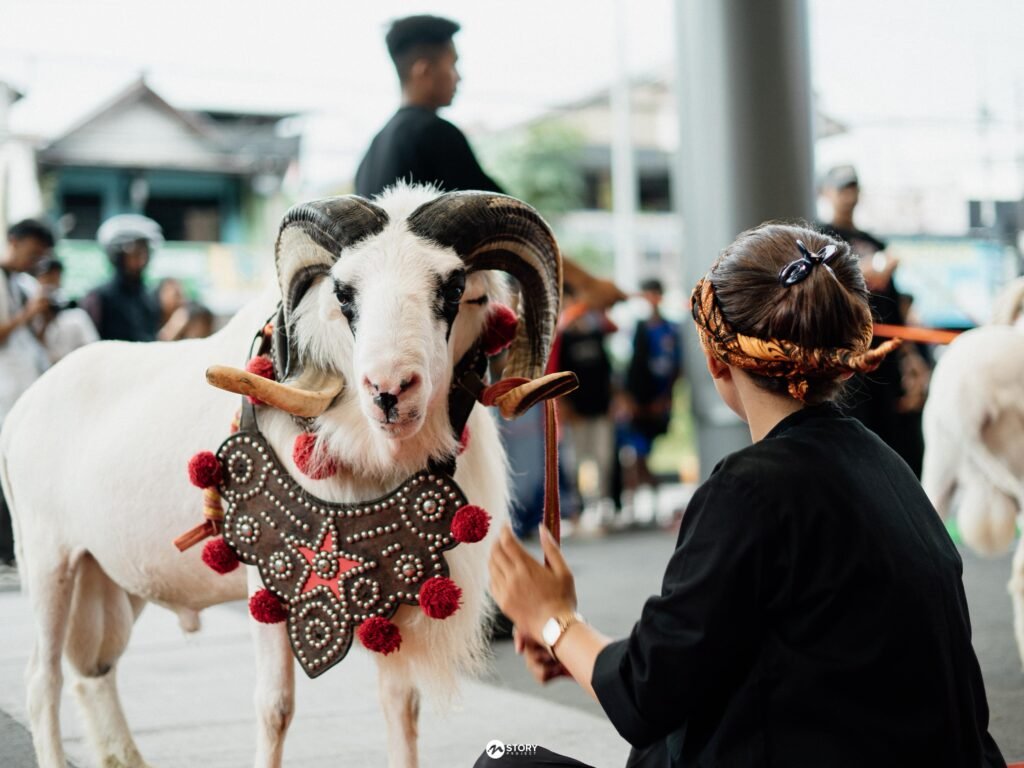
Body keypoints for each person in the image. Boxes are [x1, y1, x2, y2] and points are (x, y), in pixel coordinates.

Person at [487, 224, 1005, 767]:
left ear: (716, 360)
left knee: (503, 757)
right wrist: (576, 646)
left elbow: (645, 697)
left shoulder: (751, 489)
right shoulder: (883, 465)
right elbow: (707, 651)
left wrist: (551, 619)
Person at [818, 164, 930, 475]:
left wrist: (911, 359)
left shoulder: (875, 241)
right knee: (855, 445)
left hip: (886, 357)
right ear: (825, 193)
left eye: (852, 187)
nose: (848, 195)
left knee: (900, 444)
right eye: (841, 188)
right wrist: (870, 266)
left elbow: (896, 308)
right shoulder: (819, 237)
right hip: (847, 359)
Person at [355, 14, 503, 197]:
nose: (458, 77)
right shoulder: (434, 132)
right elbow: (504, 214)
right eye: (453, 65)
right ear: (424, 71)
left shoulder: (372, 152)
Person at [0, 219, 54, 578]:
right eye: (32, 252)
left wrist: (41, 317)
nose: (35, 261)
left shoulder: (22, 284)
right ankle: (7, 552)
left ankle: (18, 549)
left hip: (24, 391)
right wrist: (29, 313)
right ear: (13, 242)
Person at [620, 278, 682, 516]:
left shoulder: (670, 330)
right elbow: (629, 368)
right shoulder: (637, 328)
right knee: (635, 454)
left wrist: (665, 399)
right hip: (637, 401)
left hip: (657, 400)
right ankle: (635, 507)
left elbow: (676, 367)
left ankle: (651, 505)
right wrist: (628, 399)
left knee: (645, 454)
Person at [82, 214, 163, 342]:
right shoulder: (99, 297)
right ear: (118, 256)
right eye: (134, 253)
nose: (140, 260)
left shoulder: (149, 297)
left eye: (144, 252)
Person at [34, 257, 99, 363]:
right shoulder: (32, 316)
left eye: (56, 276)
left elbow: (92, 348)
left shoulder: (76, 316)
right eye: (47, 277)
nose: (52, 283)